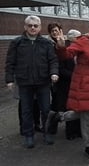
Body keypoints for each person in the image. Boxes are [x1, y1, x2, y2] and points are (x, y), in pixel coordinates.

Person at [48, 18, 89, 159]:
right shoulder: (83, 41)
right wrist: (61, 46)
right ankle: (88, 145)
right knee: (87, 116)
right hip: (85, 83)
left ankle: (60, 116)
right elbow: (67, 54)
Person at [5, 15, 60, 148]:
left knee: (46, 109)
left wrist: (54, 73)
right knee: (26, 110)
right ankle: (29, 135)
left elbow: (53, 60)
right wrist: (9, 79)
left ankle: (47, 133)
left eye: (35, 25)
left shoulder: (46, 43)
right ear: (25, 27)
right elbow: (10, 62)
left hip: (43, 82)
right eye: (30, 25)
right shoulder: (17, 43)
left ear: (40, 27)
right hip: (24, 82)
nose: (33, 28)